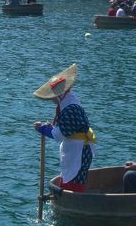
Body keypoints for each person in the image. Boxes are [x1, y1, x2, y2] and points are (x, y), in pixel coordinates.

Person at [33, 64, 96, 193]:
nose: (52, 101)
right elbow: (65, 129)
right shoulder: (69, 101)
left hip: (78, 151)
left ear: (59, 95)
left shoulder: (70, 109)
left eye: (53, 98)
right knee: (69, 181)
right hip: (75, 148)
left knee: (74, 185)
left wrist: (44, 129)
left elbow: (59, 135)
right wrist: (50, 127)